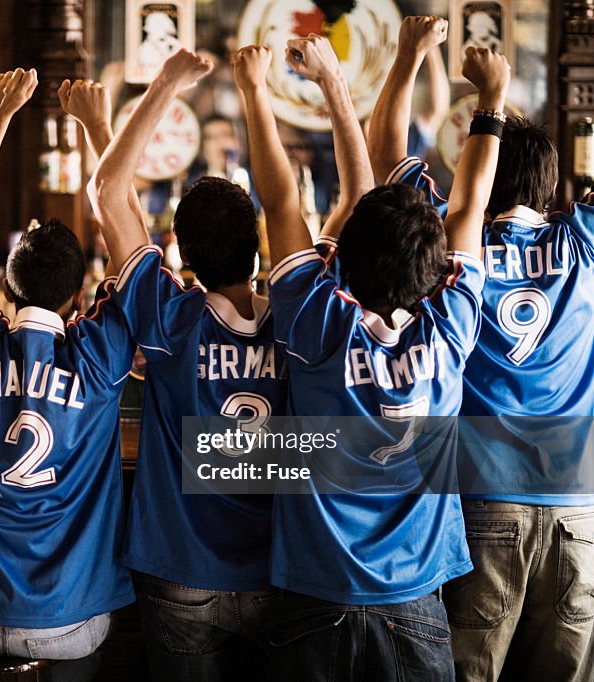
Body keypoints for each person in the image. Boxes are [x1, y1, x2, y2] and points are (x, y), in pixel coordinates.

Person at [88, 39, 371, 680]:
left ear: (180, 253)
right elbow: (357, 195)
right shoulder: (305, 312)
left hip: (180, 574)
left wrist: (165, 85)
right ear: (257, 246)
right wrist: (330, 86)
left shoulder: (170, 317)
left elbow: (108, 191)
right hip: (283, 570)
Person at [235, 30, 509, 679]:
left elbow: (277, 200)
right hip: (414, 599)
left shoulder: (316, 319)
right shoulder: (451, 328)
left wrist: (305, 88)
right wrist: (490, 102)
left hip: (314, 592)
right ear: (436, 270)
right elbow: (469, 205)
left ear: (347, 261)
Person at [369, 15, 594, 682]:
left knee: (471, 673)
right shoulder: (583, 241)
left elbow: (388, 157)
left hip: (483, 494)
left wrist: (410, 54)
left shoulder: (451, 244)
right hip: (579, 503)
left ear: (482, 175)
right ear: (554, 191)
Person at [0, 68, 140, 667]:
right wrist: (98, 127)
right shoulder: (99, 355)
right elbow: (135, 248)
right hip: (66, 627)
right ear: (80, 296)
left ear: (6, 290)